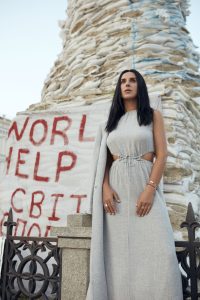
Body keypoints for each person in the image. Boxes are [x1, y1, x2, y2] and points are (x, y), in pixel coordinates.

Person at [85, 69, 183, 300]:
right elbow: (104, 161)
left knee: (160, 251)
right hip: (116, 194)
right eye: (122, 81)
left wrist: (149, 189)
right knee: (117, 256)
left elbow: (162, 154)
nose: (127, 84)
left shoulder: (151, 115)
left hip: (144, 183)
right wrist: (105, 188)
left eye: (132, 81)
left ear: (140, 86)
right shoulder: (110, 123)